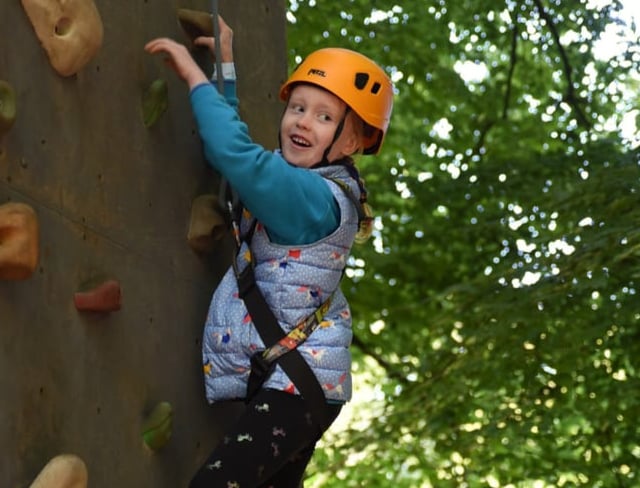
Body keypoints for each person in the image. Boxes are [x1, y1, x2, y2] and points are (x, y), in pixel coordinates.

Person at [145, 15, 393, 488]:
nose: (303, 121)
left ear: (354, 141)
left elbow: (238, 158)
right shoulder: (306, 186)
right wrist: (226, 66)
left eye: (325, 116)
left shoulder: (315, 200)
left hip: (296, 389)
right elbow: (244, 163)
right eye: (298, 107)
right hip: (298, 385)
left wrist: (195, 79)